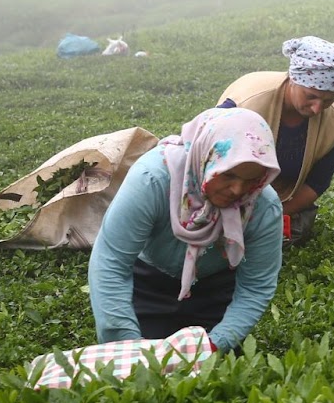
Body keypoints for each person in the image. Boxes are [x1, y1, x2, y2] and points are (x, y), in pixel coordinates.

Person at [89, 107, 282, 352]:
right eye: (228, 175)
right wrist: (125, 346)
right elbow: (111, 263)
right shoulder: (152, 180)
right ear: (206, 159)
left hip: (216, 289)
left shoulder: (263, 205)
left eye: (251, 180)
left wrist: (217, 344)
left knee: (218, 367)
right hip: (148, 283)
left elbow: (256, 286)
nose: (238, 190)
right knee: (142, 358)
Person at [219, 36, 334, 244]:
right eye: (311, 96)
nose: (317, 108)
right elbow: (203, 152)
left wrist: (270, 215)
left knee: (282, 235)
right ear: (293, 80)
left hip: (283, 197)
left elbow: (317, 183)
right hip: (225, 191)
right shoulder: (247, 103)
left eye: (328, 100)